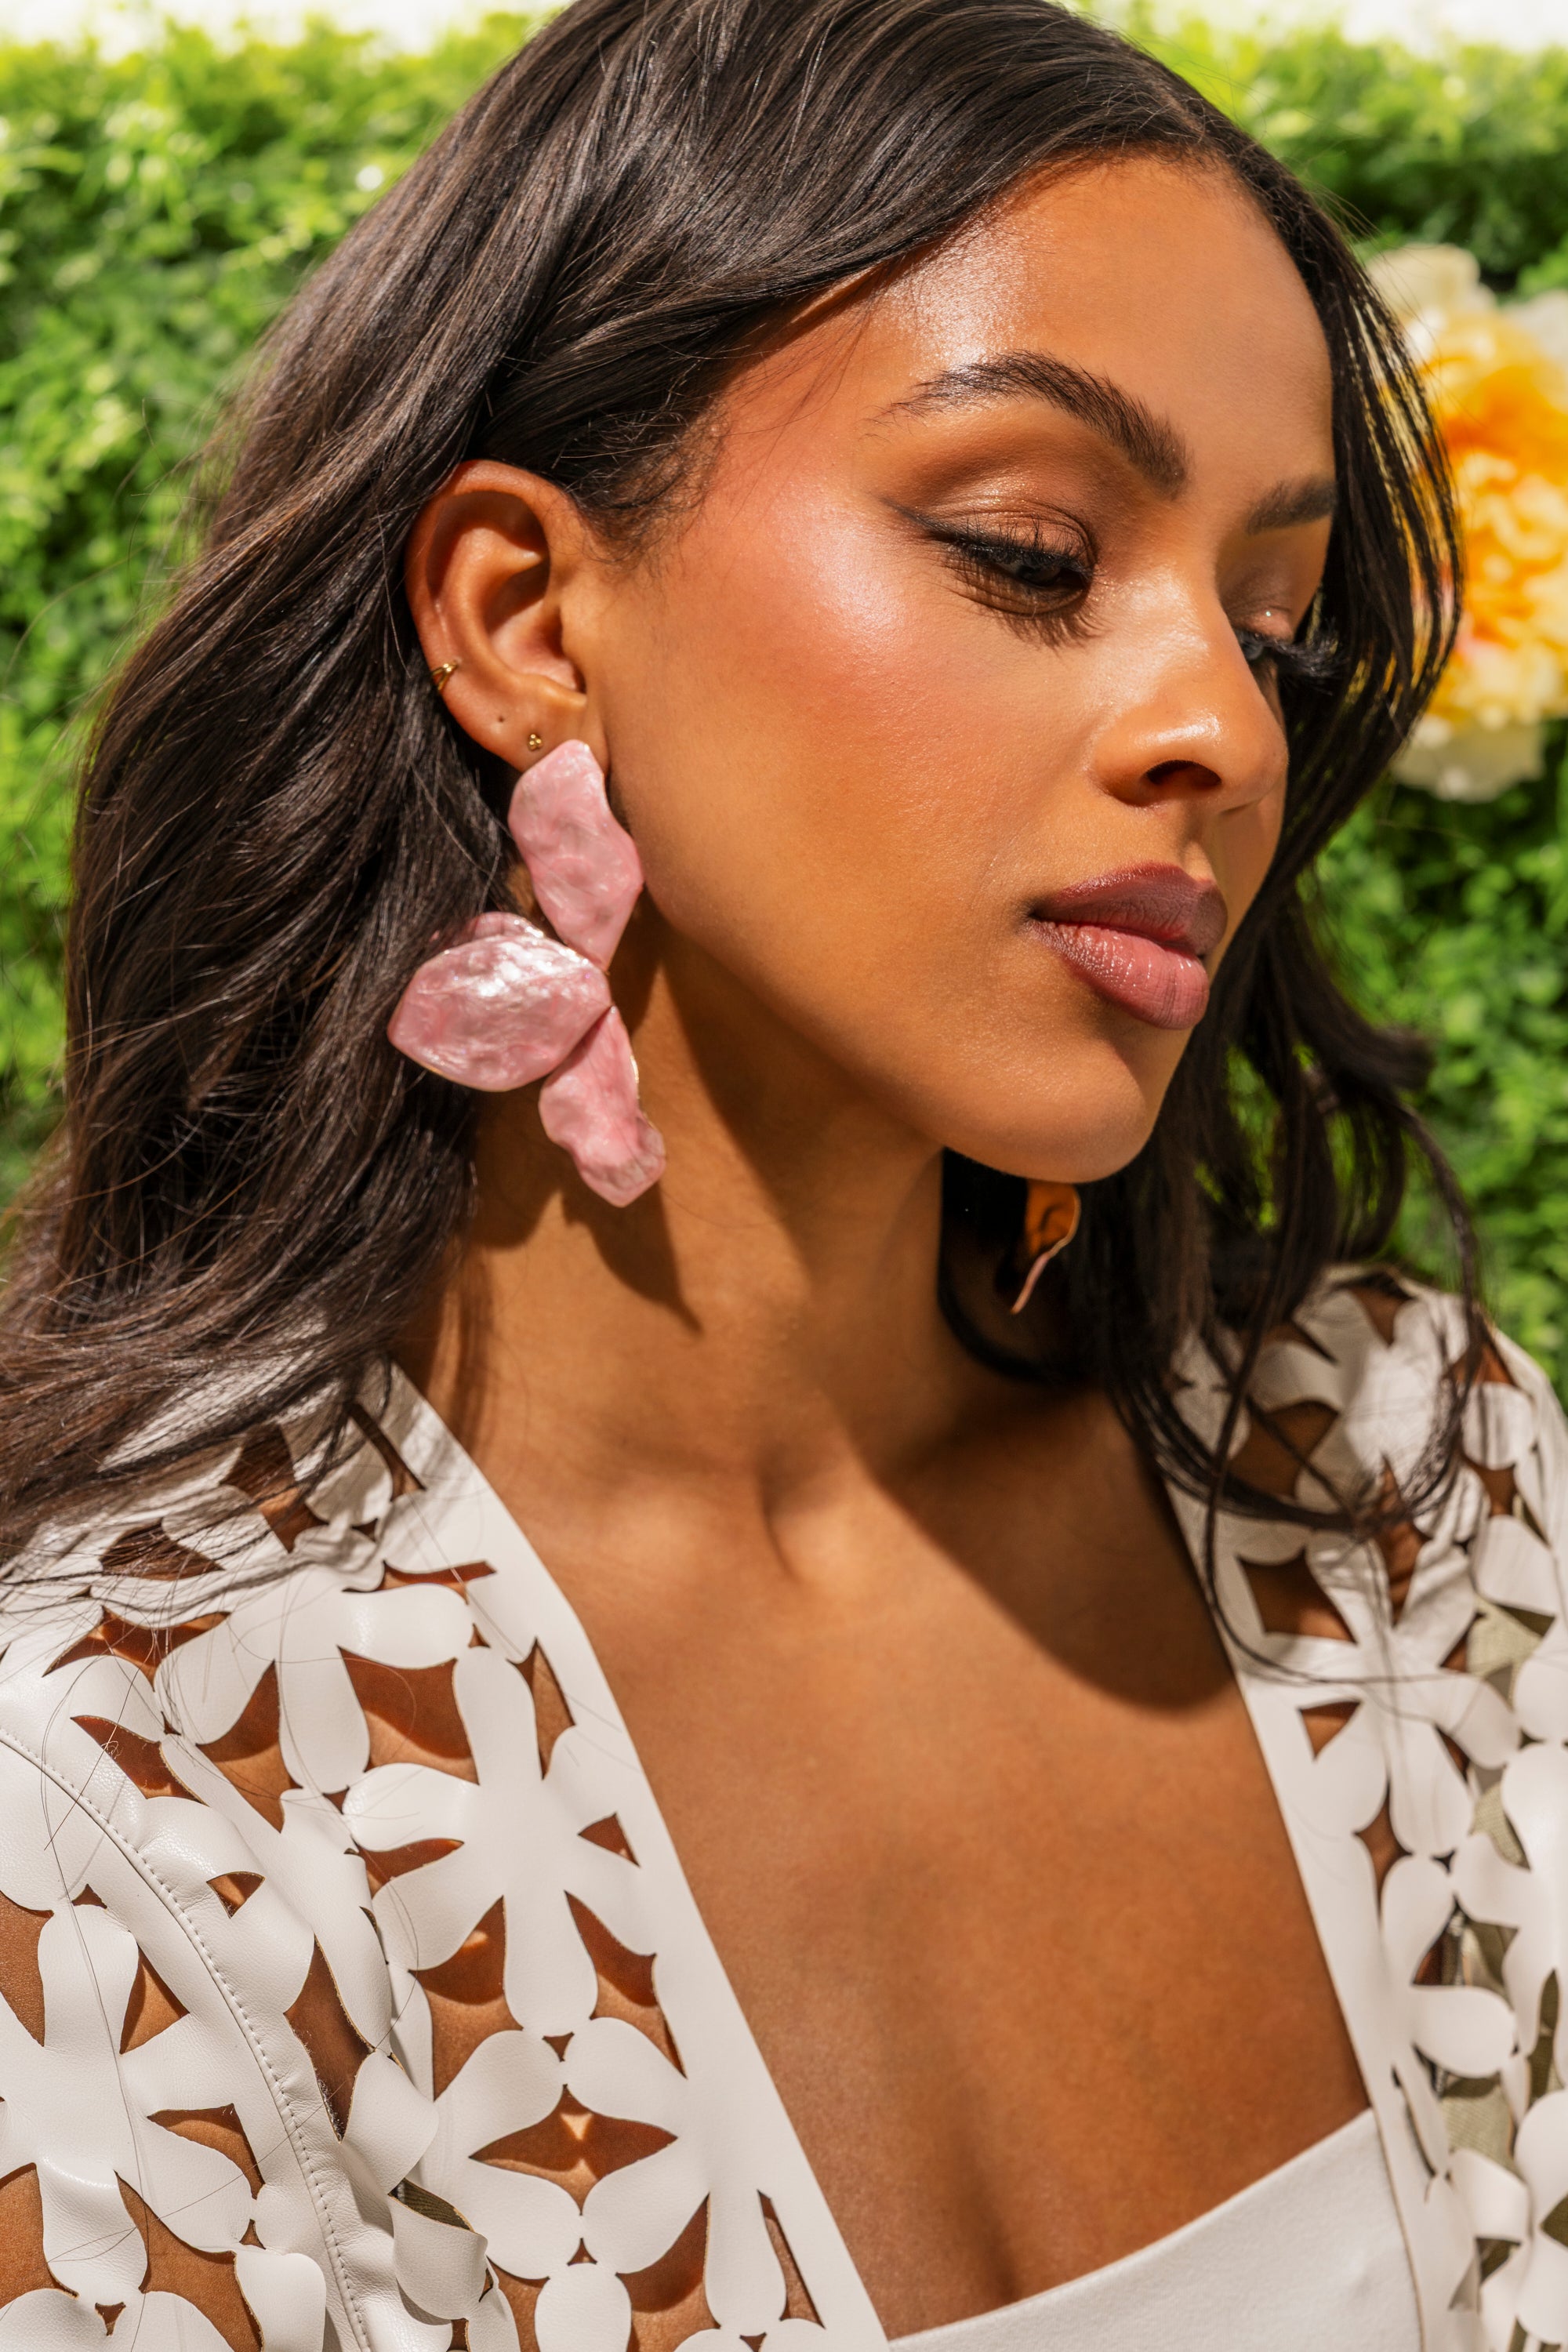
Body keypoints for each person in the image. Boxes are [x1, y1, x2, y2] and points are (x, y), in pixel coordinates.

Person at [0, 1, 1556, 2346]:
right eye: (1034, 549)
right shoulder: (124, 1802)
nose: (1228, 724)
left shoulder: (1410, 1488)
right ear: (530, 615)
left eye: (1276, 616)